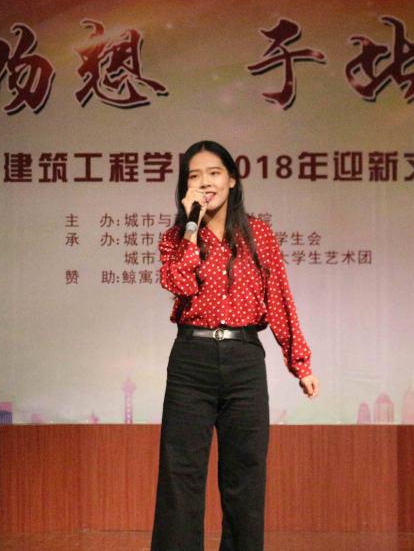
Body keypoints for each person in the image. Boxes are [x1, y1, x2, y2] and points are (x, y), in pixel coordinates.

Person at [151, 140, 319, 551]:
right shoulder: (176, 237)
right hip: (192, 360)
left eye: (213, 173)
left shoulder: (258, 234)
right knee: (181, 474)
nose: (205, 182)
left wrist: (300, 363)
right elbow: (179, 283)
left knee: (246, 474)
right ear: (185, 187)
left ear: (231, 179)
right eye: (194, 176)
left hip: (244, 359)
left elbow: (279, 297)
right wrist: (192, 226)